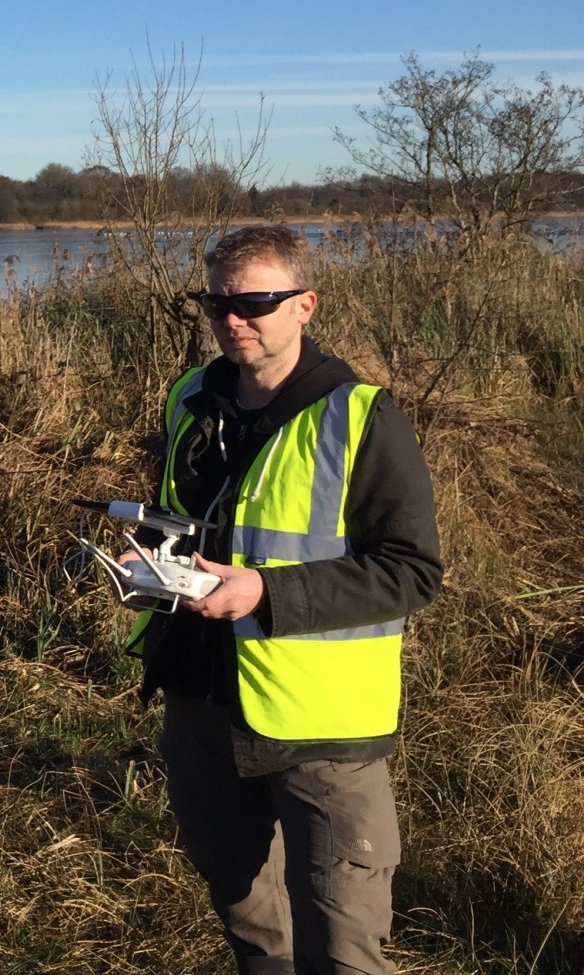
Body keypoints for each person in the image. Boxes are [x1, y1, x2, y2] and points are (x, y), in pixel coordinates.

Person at [124, 223, 441, 975]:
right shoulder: (191, 398)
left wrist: (264, 591)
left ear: (306, 305)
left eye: (256, 302)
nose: (233, 320)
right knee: (246, 913)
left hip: (322, 728)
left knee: (343, 944)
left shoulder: (362, 418)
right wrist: (152, 566)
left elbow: (411, 571)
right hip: (203, 706)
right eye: (216, 303)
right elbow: (187, 517)